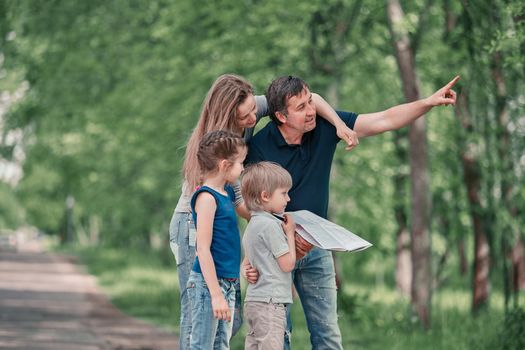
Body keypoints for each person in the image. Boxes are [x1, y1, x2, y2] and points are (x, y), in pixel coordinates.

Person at [245, 75, 459, 349]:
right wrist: (254, 256)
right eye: (300, 108)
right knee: (276, 338)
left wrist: (427, 102)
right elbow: (250, 207)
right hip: (276, 251)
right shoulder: (259, 148)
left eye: (310, 102)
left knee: (328, 336)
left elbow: (384, 119)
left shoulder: (323, 126)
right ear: (281, 116)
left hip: (317, 247)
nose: (310, 111)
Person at [169, 73, 359, 350]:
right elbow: (240, 201)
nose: (253, 120)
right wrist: (280, 233)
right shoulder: (216, 153)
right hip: (193, 224)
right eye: (244, 117)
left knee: (229, 319)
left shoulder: (250, 108)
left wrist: (340, 126)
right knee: (199, 313)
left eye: (252, 112)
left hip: (222, 223)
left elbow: (312, 98)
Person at [186, 130, 247, 349]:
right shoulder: (207, 198)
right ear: (224, 165)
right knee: (202, 345)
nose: (243, 168)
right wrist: (215, 295)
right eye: (241, 163)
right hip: (208, 284)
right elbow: (202, 249)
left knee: (221, 345)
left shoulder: (227, 193)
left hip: (227, 282)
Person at [241, 162, 296, 350]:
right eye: (284, 193)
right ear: (265, 196)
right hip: (271, 304)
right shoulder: (271, 226)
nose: (288, 199)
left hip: (254, 301)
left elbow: (247, 262)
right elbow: (288, 264)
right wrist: (290, 233)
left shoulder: (253, 225)